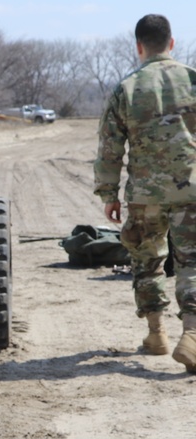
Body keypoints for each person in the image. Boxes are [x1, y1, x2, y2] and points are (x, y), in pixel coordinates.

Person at [93, 13, 196, 372]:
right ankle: (193, 335)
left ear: (139, 47)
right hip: (191, 192)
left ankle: (157, 334)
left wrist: (109, 195)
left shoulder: (127, 87)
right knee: (192, 262)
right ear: (172, 43)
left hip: (145, 195)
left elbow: (109, 146)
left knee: (147, 260)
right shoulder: (192, 79)